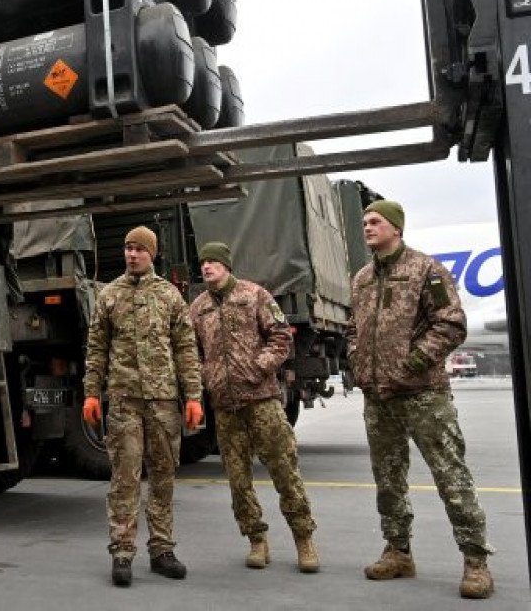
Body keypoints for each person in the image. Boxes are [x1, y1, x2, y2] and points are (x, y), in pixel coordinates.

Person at [347, 199, 494, 599]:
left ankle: (476, 560)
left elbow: (451, 324)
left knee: (451, 476)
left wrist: (411, 364)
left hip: (423, 395)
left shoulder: (425, 269)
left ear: (396, 227)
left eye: (375, 221)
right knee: (388, 481)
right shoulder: (360, 278)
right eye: (364, 222)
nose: (367, 226)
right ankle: (398, 552)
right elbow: (352, 328)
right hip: (379, 399)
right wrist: (357, 359)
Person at [82, 226, 204, 587]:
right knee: (125, 478)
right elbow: (96, 348)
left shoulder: (169, 296)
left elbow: (186, 350)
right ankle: (122, 552)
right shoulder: (108, 295)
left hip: (164, 401)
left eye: (139, 249)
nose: (131, 254)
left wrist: (194, 397)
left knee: (163, 477)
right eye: (127, 248)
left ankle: (162, 550)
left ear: (152, 254)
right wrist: (91, 392)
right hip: (123, 401)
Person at [188, 241, 319, 573]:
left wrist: (260, 367)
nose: (206, 268)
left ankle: (303, 540)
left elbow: (280, 336)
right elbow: (191, 350)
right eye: (203, 263)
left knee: (284, 469)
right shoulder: (199, 307)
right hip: (225, 406)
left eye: (213, 262)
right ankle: (256, 541)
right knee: (238, 480)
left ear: (227, 266)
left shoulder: (254, 295)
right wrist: (207, 376)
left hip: (261, 401)